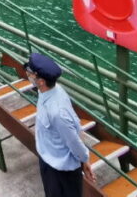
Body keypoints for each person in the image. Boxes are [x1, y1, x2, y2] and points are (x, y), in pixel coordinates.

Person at [25, 52, 94, 196]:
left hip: (61, 171)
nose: (27, 73)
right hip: (47, 158)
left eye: (30, 72)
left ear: (42, 81)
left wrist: (85, 160)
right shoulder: (49, 91)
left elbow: (73, 140)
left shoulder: (57, 112)